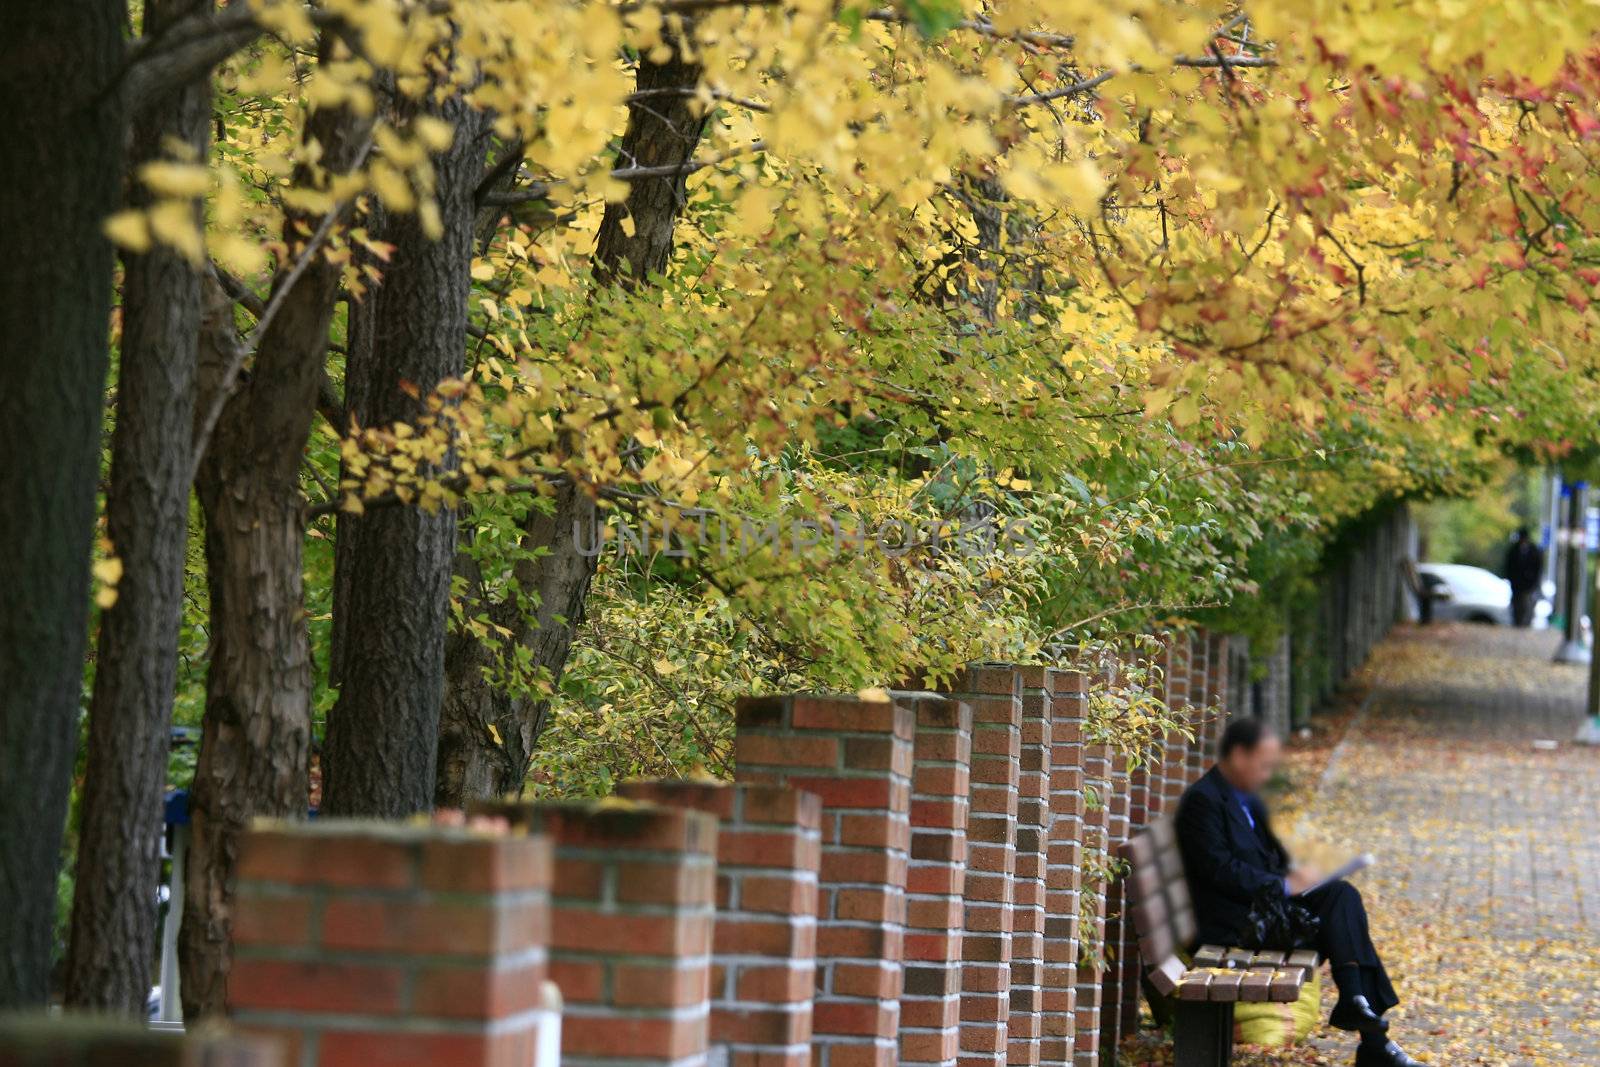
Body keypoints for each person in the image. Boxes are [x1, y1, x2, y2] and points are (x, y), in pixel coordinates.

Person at [1175, 718, 1417, 1067]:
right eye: (1264, 764)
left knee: (1340, 895)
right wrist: (1285, 886)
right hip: (1232, 925)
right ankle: (1371, 1036)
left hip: (1260, 910)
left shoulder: (1245, 799)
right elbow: (1220, 870)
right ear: (1240, 756)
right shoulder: (1204, 801)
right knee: (1342, 925)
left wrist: (1304, 875)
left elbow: (1271, 858)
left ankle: (1357, 1006)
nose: (1267, 773)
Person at [1502, 527, 1544, 628]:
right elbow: (1508, 567)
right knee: (1517, 605)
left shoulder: (1534, 551)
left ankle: (1525, 624)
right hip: (1516, 585)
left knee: (1527, 605)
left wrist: (1534, 581)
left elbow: (1538, 568)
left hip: (1529, 584)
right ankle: (1518, 623)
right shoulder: (1513, 550)